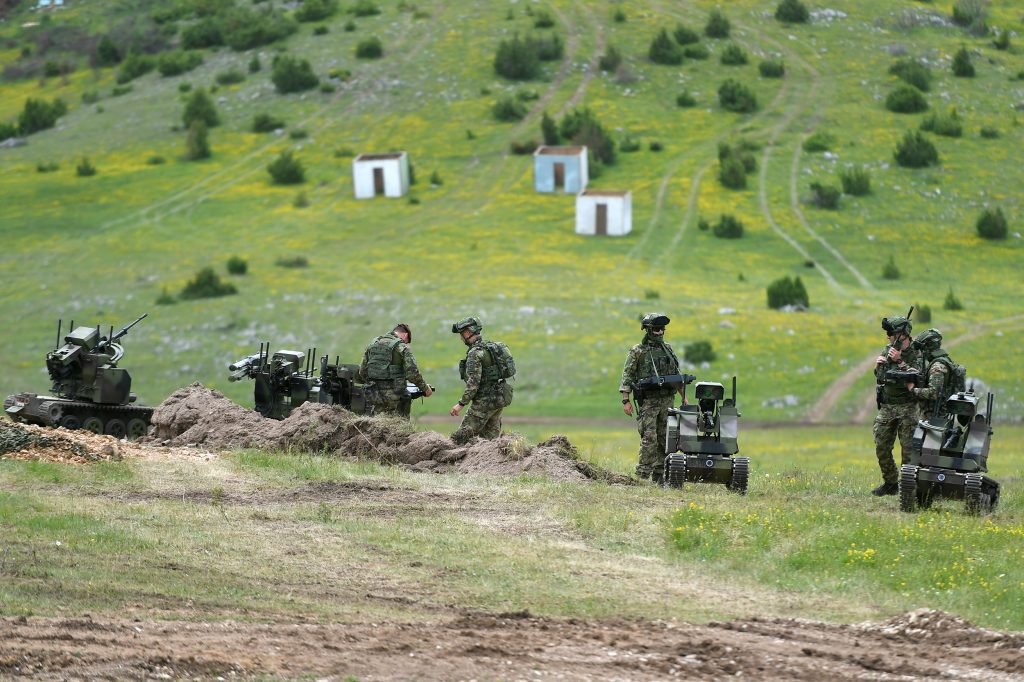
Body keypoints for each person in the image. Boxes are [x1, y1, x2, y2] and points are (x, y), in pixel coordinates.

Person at [619, 313, 686, 483]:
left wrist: (684, 397)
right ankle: (642, 476)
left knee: (666, 438)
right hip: (648, 402)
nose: (660, 332)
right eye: (656, 329)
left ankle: (660, 476)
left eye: (662, 329)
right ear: (648, 330)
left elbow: (676, 375)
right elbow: (627, 376)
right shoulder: (638, 351)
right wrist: (626, 401)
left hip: (667, 401)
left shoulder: (668, 349)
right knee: (649, 438)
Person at [871, 314, 921, 496]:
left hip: (908, 408)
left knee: (908, 451)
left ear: (903, 334)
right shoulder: (888, 349)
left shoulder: (916, 352)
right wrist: (879, 366)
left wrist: (900, 361)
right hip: (887, 407)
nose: (888, 336)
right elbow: (881, 377)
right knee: (881, 446)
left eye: (891, 333)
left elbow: (919, 377)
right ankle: (890, 483)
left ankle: (908, 489)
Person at [449, 316, 514, 444]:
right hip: (498, 400)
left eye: (461, 334)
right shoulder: (490, 348)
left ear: (468, 333)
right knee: (490, 444)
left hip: (483, 403)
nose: (460, 338)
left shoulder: (475, 353)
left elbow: (473, 384)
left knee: (460, 440)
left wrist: (461, 404)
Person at [358, 323, 431, 418]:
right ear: (406, 335)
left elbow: (362, 372)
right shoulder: (401, 347)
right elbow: (413, 374)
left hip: (373, 395)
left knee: (377, 425)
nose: (405, 343)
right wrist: (425, 388)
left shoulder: (373, 344)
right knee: (397, 428)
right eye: (407, 341)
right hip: (394, 398)